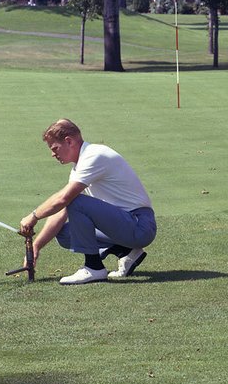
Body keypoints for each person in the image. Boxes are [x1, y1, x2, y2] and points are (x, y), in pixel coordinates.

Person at [19, 119, 156, 285]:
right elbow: (61, 212)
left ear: (68, 141)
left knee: (75, 201)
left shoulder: (94, 155)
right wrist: (36, 246)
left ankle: (94, 267)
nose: (53, 154)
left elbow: (63, 199)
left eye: (54, 148)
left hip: (139, 225)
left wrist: (34, 216)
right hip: (124, 224)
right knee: (63, 233)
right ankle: (127, 251)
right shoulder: (80, 165)